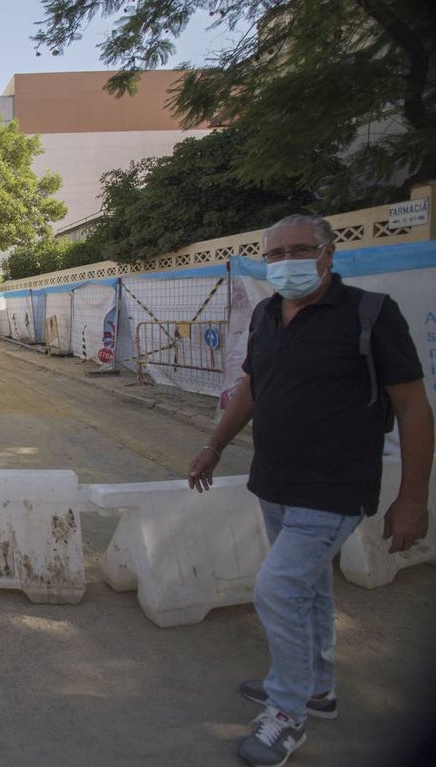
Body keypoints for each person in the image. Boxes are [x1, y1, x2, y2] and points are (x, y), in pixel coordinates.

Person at [187, 214, 433, 767]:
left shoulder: (371, 314)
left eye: (300, 250)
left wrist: (413, 497)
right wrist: (214, 445)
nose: (286, 262)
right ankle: (316, 688)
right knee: (310, 589)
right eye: (275, 254)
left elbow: (415, 407)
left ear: (328, 255)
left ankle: (288, 714)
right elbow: (253, 385)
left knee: (277, 590)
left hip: (335, 487)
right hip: (275, 482)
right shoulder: (268, 314)